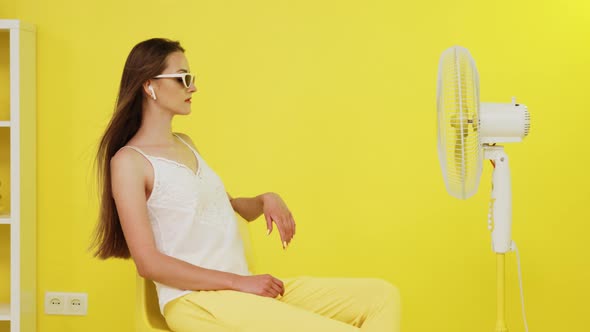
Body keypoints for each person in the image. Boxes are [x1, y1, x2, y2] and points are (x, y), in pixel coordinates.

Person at [92, 38, 400, 332]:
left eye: (192, 78)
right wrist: (239, 283)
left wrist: (266, 199)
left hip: (242, 289)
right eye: (183, 78)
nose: (194, 87)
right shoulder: (129, 163)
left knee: (382, 296)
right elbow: (148, 263)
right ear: (149, 86)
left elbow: (228, 206)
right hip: (196, 301)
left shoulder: (186, 144)